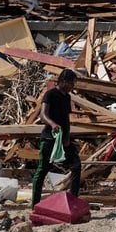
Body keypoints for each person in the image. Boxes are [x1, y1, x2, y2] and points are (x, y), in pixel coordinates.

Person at [31, 68, 82, 207]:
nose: (73, 87)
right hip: (49, 138)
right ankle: (35, 204)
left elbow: (66, 119)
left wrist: (67, 138)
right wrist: (53, 124)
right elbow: (43, 115)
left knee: (76, 166)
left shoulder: (67, 97)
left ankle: (73, 201)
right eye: (72, 83)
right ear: (64, 81)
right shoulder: (50, 94)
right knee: (42, 170)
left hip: (63, 140)